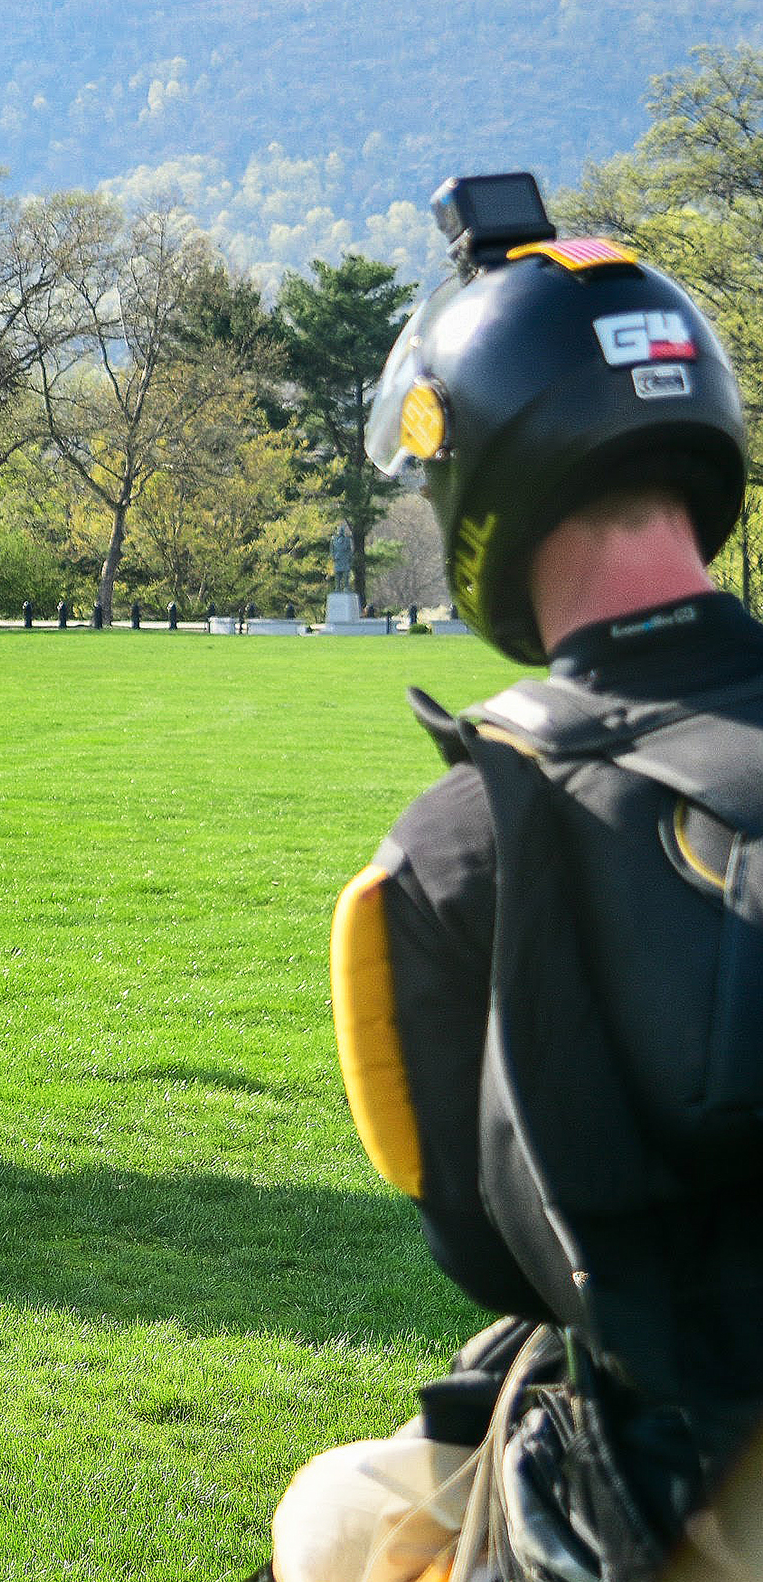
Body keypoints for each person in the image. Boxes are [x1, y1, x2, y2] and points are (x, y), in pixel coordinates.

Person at [274, 173, 763, 1582]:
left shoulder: (451, 851)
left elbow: (497, 1262)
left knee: (333, 1520)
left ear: (478, 472)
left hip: (696, 1491)